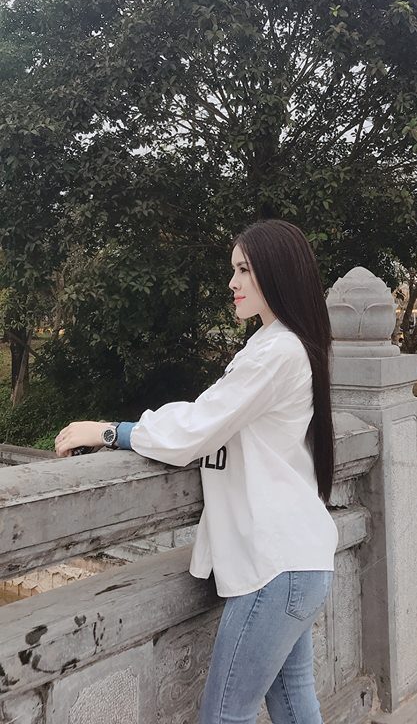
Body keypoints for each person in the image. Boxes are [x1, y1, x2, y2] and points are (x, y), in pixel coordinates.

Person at [55, 219, 338, 724]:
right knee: (295, 706)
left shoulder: (277, 352)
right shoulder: (281, 345)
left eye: (244, 270)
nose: (232, 282)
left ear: (277, 272)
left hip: (276, 567)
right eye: (234, 270)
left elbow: (197, 427)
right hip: (297, 561)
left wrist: (110, 431)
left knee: (226, 715)